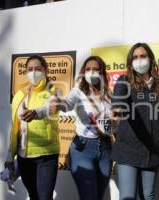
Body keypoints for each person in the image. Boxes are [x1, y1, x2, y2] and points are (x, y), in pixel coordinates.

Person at [111, 42, 159, 200]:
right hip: (128, 149)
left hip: (153, 151)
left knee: (148, 195)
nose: (139, 60)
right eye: (135, 57)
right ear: (130, 62)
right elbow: (119, 97)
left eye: (143, 56)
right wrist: (116, 108)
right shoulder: (124, 81)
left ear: (150, 58)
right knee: (128, 196)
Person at [50, 56, 114, 200]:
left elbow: (111, 125)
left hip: (105, 148)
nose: (91, 72)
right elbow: (67, 104)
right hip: (82, 148)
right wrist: (59, 104)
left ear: (102, 72)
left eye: (96, 69)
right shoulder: (78, 91)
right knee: (89, 196)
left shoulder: (109, 95)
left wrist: (115, 124)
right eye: (88, 69)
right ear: (83, 72)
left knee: (98, 196)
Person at [5, 54, 60, 200]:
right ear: (25, 72)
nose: (33, 72)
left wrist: (35, 113)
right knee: (33, 195)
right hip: (24, 156)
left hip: (46, 155)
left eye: (38, 69)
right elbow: (15, 126)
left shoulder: (52, 91)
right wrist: (10, 156)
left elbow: (51, 108)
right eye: (30, 69)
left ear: (46, 70)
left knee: (44, 197)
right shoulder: (20, 94)